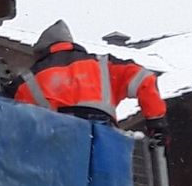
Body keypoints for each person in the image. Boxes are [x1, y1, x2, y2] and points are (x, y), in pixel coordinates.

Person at [12, 23, 167, 133]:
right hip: (104, 141)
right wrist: (156, 122)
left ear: (40, 52)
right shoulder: (103, 66)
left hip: (58, 146)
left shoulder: (29, 79)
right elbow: (144, 79)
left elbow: (1, 110)